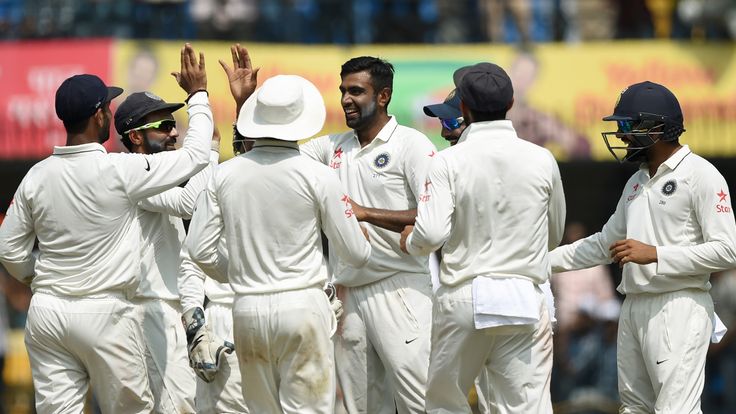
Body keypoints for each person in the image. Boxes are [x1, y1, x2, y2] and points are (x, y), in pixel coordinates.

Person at [0, 43, 213, 414]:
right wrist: (198, 96)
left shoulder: (37, 175)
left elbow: (8, 249)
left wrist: (39, 280)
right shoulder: (119, 170)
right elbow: (194, 158)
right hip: (106, 311)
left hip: (48, 312)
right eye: (108, 107)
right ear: (99, 115)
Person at [184, 73, 372, 414]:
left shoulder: (225, 174)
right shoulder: (317, 174)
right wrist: (363, 241)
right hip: (302, 306)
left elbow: (198, 250)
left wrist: (234, 272)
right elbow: (356, 255)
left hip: (247, 310)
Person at [549, 80, 736, 413]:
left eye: (626, 125)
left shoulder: (702, 175)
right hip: (634, 307)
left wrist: (656, 254)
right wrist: (537, 262)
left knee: (675, 409)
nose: (620, 135)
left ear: (656, 127)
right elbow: (605, 244)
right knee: (634, 408)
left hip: (678, 306)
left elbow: (727, 250)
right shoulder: (637, 181)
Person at [401, 62, 565, 413]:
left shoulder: (448, 161)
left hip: (465, 296)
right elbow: (553, 234)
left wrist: (411, 242)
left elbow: (429, 234)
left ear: (463, 109)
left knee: (445, 404)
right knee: (526, 407)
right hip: (523, 296)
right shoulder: (543, 158)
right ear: (510, 104)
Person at [300, 56, 437, 414]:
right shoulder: (331, 147)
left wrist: (364, 213)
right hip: (349, 295)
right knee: (359, 408)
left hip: (402, 287)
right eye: (343, 90)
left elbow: (435, 214)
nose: (346, 98)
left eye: (356, 91)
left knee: (420, 402)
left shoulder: (412, 145)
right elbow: (277, 157)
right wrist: (244, 104)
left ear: (383, 96)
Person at [113, 88, 223, 413]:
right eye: (163, 125)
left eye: (174, 124)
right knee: (183, 406)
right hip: (148, 312)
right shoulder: (131, 174)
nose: (174, 132)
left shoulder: (151, 177)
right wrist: (211, 151)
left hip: (161, 310)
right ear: (134, 136)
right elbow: (192, 203)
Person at [176, 43, 257, 414]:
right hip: (226, 318)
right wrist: (196, 325)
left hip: (278, 311)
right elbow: (193, 260)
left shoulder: (298, 178)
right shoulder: (220, 181)